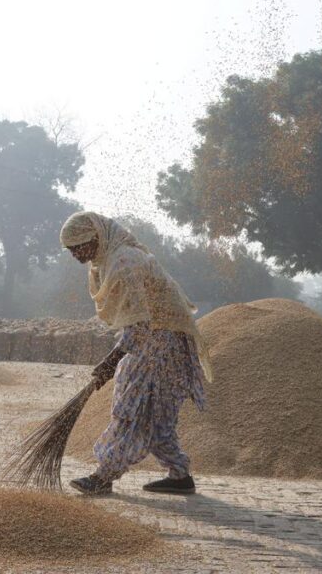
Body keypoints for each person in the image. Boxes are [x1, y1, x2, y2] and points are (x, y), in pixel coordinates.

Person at [59, 211, 210, 496]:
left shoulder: (123, 262)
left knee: (130, 408)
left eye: (79, 247)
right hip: (162, 340)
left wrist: (111, 360)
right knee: (156, 414)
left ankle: (104, 475)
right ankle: (180, 475)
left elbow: (138, 326)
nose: (76, 255)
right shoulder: (107, 261)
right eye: (70, 250)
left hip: (161, 343)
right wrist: (113, 358)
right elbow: (134, 321)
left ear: (96, 238)